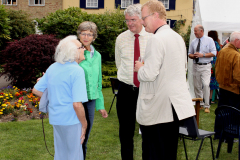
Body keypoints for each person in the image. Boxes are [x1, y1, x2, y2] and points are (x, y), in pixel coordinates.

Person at [134, 0, 195, 159]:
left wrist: (140, 67)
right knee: (168, 151)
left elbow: (149, 74)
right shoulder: (177, 37)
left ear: (155, 15)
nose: (142, 22)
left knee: (153, 152)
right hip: (173, 107)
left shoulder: (156, 39)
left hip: (157, 108)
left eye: (144, 17)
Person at [32, 35, 88, 160]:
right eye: (81, 47)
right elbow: (77, 104)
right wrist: (84, 125)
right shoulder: (77, 71)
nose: (84, 48)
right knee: (74, 156)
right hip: (71, 120)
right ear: (73, 52)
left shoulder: (53, 67)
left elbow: (36, 90)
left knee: (61, 155)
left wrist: (55, 96)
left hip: (56, 119)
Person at [115, 4, 152, 160]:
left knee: (148, 131)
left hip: (146, 90)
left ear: (142, 19)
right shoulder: (121, 38)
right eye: (127, 20)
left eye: (133, 20)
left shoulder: (152, 38)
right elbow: (119, 63)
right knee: (125, 132)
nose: (129, 23)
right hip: (125, 90)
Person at [77, 21, 108, 159]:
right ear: (79, 35)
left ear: (94, 37)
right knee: (75, 134)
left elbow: (98, 81)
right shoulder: (73, 52)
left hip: (91, 100)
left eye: (90, 34)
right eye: (83, 33)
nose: (86, 37)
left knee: (85, 136)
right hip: (76, 100)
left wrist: (100, 105)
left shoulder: (97, 55)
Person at [214, 31, 240, 140]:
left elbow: (216, 68)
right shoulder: (236, 55)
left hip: (222, 87)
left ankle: (218, 134)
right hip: (234, 89)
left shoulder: (222, 51)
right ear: (236, 41)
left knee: (221, 111)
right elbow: (238, 76)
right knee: (233, 114)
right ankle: (230, 135)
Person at [188, 25, 217, 113]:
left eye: (196, 31)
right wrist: (193, 56)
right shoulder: (193, 41)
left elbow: (214, 53)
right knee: (197, 86)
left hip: (206, 66)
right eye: (194, 31)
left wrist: (202, 55)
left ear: (201, 31)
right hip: (196, 65)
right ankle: (199, 104)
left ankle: (207, 105)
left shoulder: (209, 40)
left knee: (206, 84)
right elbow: (189, 53)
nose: (194, 32)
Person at [208, 30, 222, 104]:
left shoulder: (207, 43)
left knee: (207, 82)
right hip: (214, 64)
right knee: (212, 82)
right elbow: (220, 52)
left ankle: (206, 99)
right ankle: (211, 99)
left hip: (207, 63)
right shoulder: (216, 43)